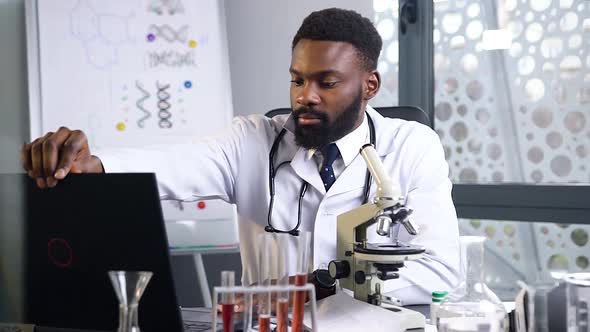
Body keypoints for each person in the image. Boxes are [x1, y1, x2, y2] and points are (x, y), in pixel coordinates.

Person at [21, 8, 459, 305]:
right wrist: (92, 166)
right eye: (297, 79)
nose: (305, 96)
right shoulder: (251, 142)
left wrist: (323, 285)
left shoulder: (411, 147)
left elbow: (440, 271)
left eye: (326, 82)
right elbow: (172, 164)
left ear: (369, 86)